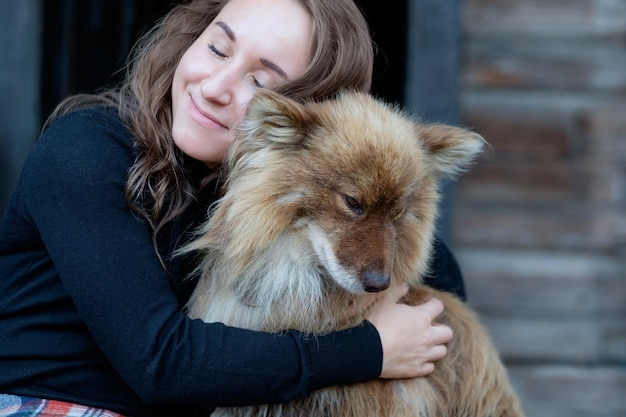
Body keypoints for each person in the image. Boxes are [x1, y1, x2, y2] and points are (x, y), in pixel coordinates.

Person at [0, 0, 463, 416]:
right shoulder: (85, 151)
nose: (216, 86)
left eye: (259, 82)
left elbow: (440, 273)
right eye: (218, 49)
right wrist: (370, 350)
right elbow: (161, 363)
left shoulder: (263, 191)